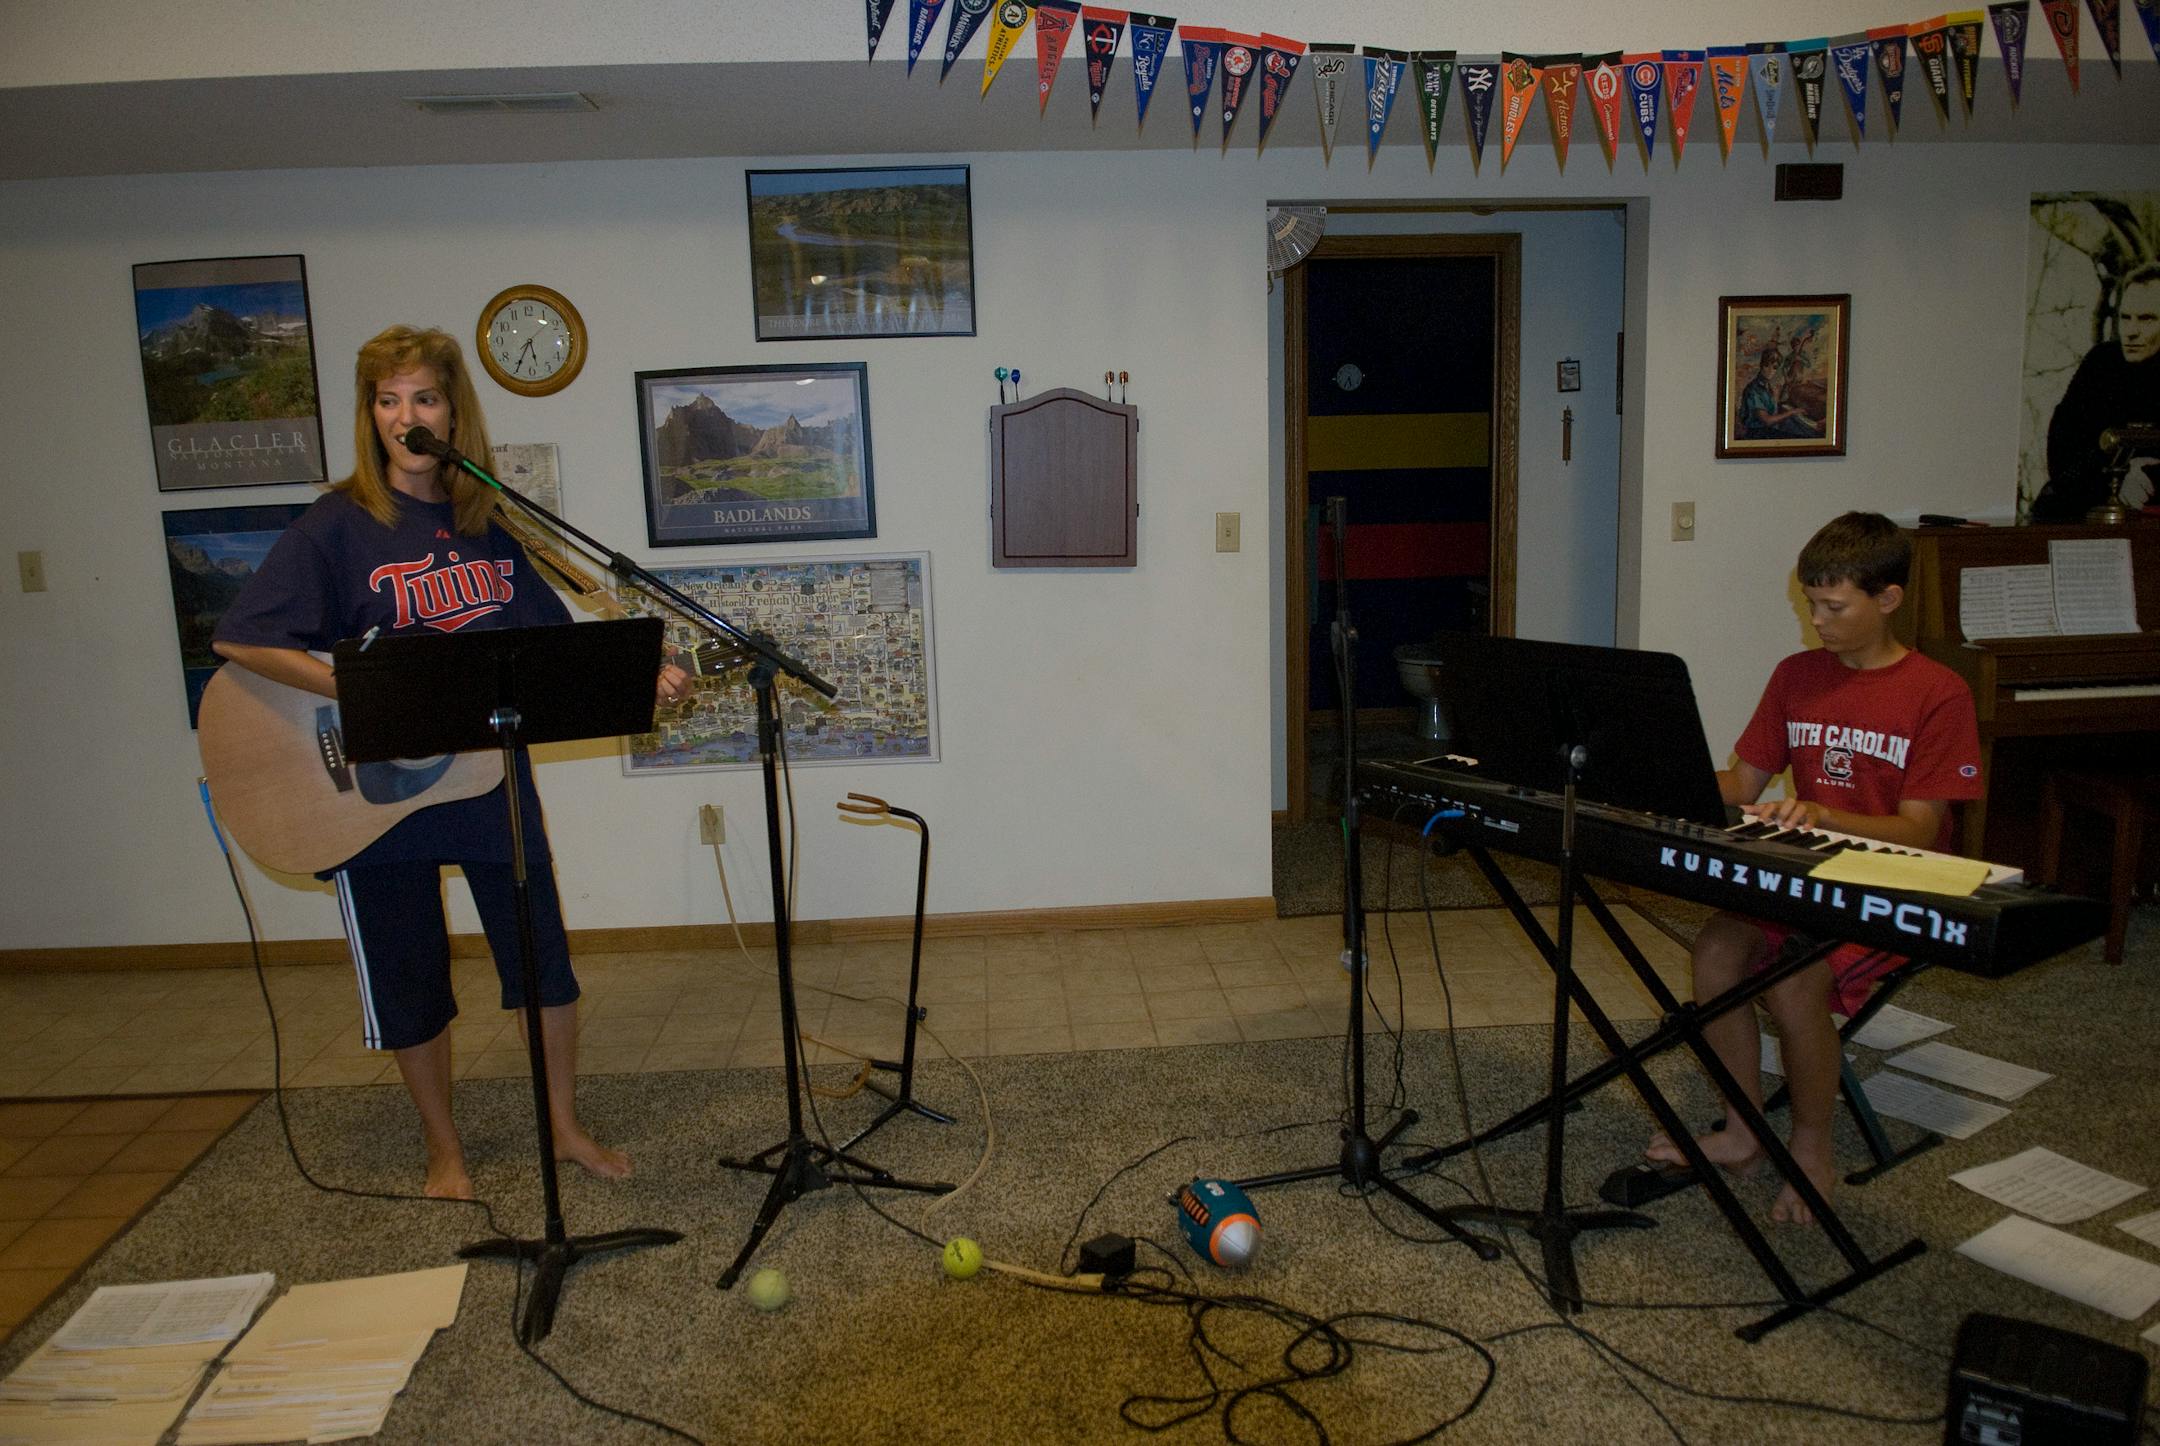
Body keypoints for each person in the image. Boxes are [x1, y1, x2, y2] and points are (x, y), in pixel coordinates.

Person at [214, 325, 691, 1200]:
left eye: (423, 398)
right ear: (370, 415)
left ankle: (564, 1126)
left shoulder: (488, 524)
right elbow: (241, 637)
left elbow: (552, 644)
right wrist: (354, 690)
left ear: (450, 410)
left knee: (540, 960)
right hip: (358, 794)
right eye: (388, 400)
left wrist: (639, 674)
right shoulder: (336, 526)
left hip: (480, 780)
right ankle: (444, 1149)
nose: (406, 416)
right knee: (410, 975)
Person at [1645, 512, 1982, 1224]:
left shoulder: (1937, 691)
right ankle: (1742, 1129)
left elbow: (1920, 830)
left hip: (1890, 886)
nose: (1818, 621)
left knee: (1797, 978)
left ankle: (1810, 1149)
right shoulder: (1796, 676)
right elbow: (1742, 785)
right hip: (1802, 874)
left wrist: (1826, 816)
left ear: (1887, 599)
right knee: (1714, 952)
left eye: (1835, 607)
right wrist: (1651, 777)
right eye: (1810, 603)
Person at [2034, 260, 2160, 521]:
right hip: (2088, 507)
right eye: (2125, 318)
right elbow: (2062, 456)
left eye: (2146, 319)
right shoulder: (2101, 364)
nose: (2131, 331)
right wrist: (2118, 474)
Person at [1735, 346, 1823, 441]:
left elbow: (1773, 413)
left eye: (1774, 367)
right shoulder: (1753, 389)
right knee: (1801, 437)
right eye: (1766, 365)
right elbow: (1767, 421)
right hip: (1756, 434)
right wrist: (1792, 412)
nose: (1770, 370)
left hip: (1767, 430)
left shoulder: (1768, 387)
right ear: (1761, 365)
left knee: (1801, 429)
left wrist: (1776, 399)